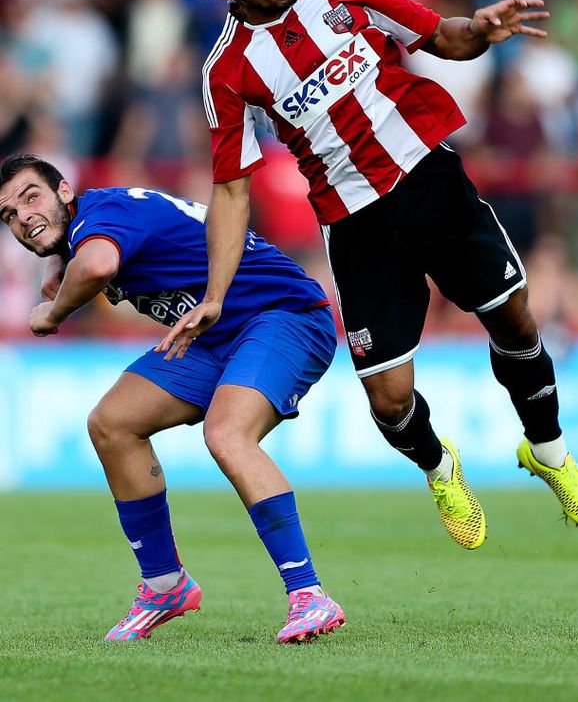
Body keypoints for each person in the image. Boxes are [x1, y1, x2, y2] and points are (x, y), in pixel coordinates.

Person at [160, 0, 578, 549]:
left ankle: (552, 453)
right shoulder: (227, 71)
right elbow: (231, 189)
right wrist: (213, 295)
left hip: (429, 178)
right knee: (390, 402)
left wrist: (480, 29)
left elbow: (442, 37)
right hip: (355, 223)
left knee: (516, 318)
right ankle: (440, 467)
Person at [0, 152, 345, 644]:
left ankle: (308, 594)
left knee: (227, 434)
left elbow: (98, 265)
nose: (22, 217)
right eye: (9, 215)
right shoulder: (93, 223)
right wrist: (62, 265)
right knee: (113, 423)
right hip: (212, 333)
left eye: (30, 197)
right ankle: (165, 584)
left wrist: (54, 312)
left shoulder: (103, 218)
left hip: (282, 314)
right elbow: (93, 257)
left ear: (65, 192)